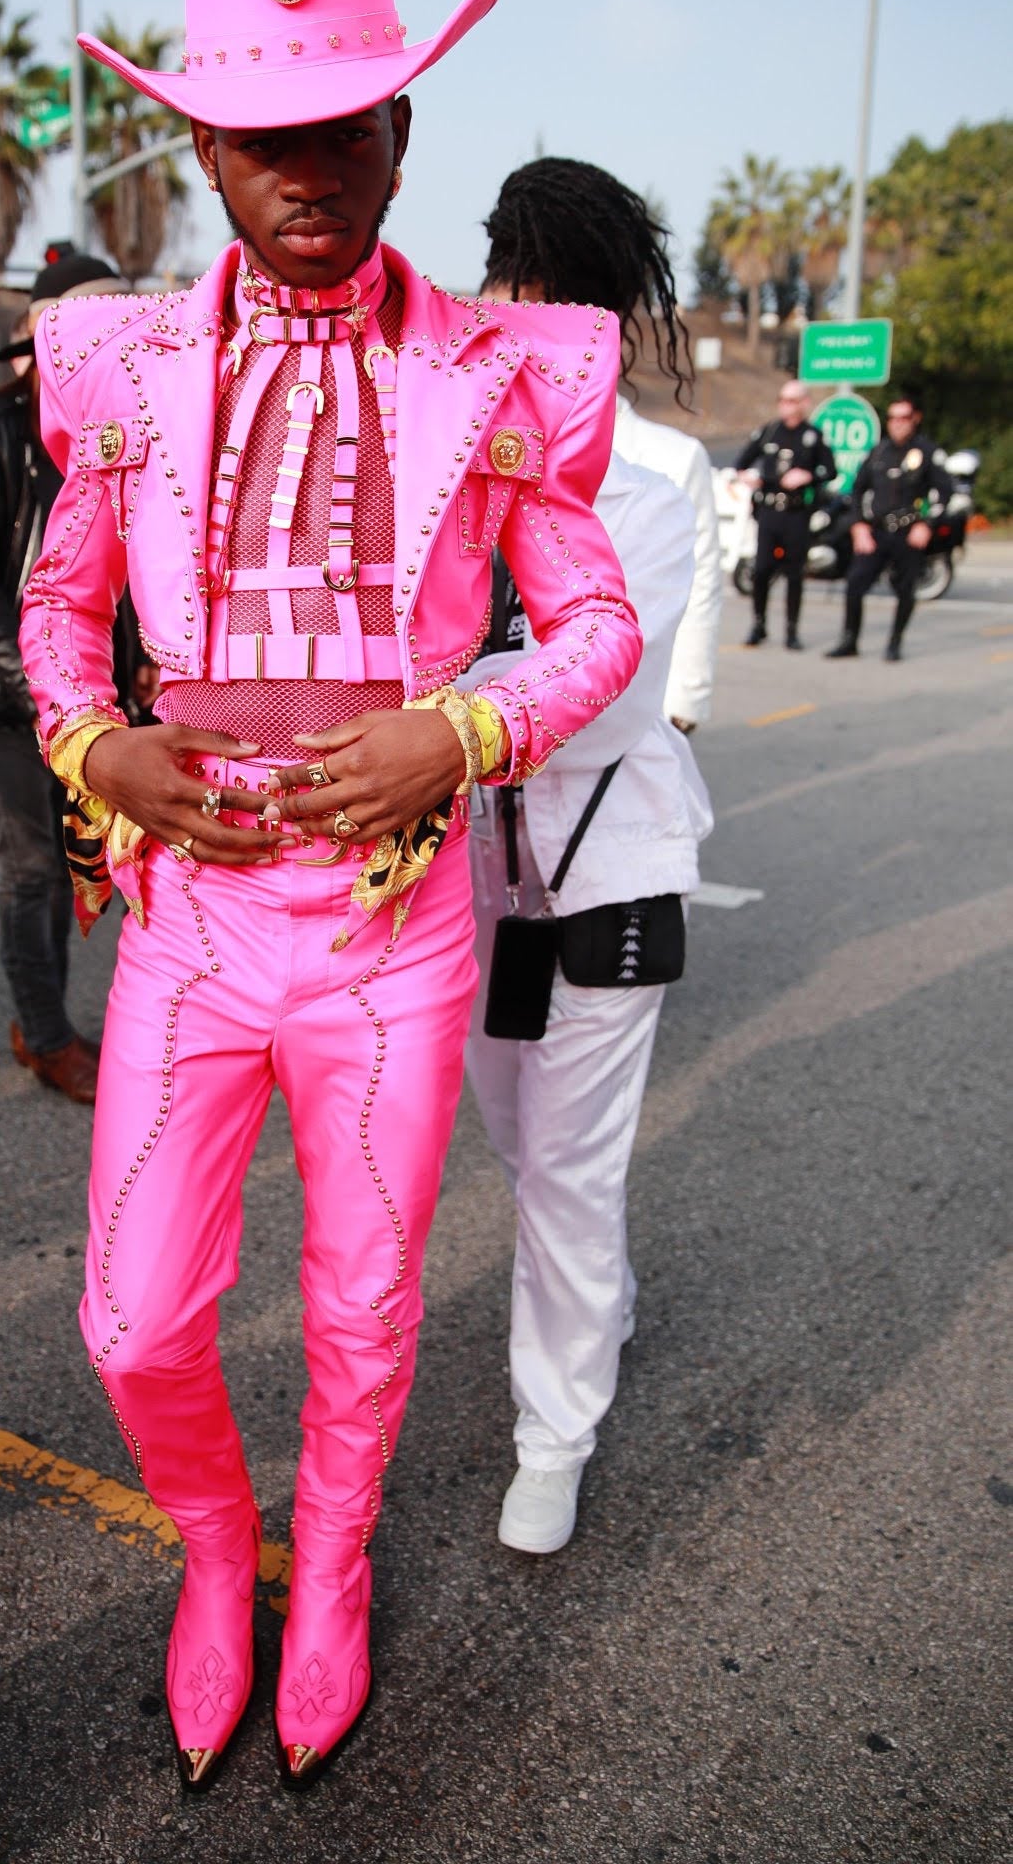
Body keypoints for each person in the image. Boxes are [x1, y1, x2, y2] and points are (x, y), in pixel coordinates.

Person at [19, 0, 642, 1790]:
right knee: (133, 1320)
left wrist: (458, 727)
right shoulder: (118, 365)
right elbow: (55, 610)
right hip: (193, 920)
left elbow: (603, 622)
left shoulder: (500, 367)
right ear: (206, 145)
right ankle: (222, 1549)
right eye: (261, 133)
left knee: (364, 1305)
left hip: (393, 931)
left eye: (341, 124)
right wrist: (92, 738)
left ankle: (336, 1562)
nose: (303, 165)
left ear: (400, 133)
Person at [466, 157, 713, 1553]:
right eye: (509, 281)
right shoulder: (453, 448)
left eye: (552, 292)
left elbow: (596, 687)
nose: (521, 311)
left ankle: (551, 1438)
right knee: (518, 1148)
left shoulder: (661, 473)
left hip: (604, 863)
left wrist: (433, 703)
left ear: (602, 319)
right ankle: (594, 1299)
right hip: (472, 880)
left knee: (568, 1168)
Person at [0, 252, 124, 1104]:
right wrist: (40, 684)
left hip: (88, 698)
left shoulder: (121, 432)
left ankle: (48, 1020)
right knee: (35, 866)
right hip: (2, 694)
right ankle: (45, 1037)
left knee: (93, 863)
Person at [826, 394, 952, 661]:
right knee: (855, 583)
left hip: (909, 532)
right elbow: (857, 491)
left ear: (915, 419)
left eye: (903, 418)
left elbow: (944, 492)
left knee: (905, 589)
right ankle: (850, 640)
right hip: (878, 530)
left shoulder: (927, 452)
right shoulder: (878, 452)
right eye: (893, 418)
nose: (897, 424)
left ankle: (895, 642)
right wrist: (858, 525)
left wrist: (927, 525)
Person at [735, 382, 836, 649]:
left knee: (794, 572)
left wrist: (808, 476)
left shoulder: (813, 436)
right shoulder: (769, 432)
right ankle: (758, 624)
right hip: (769, 509)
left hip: (796, 512)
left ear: (804, 403)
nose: (786, 406)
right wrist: (749, 477)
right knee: (762, 570)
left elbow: (831, 470)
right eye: (783, 400)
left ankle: (792, 630)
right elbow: (742, 463)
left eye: (792, 401)